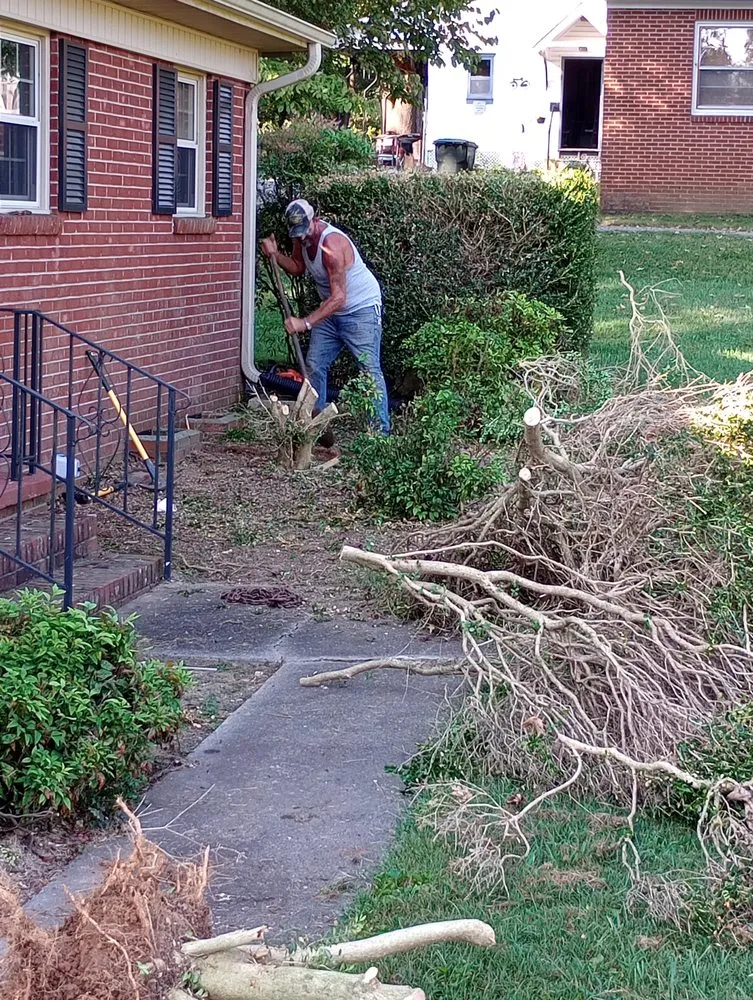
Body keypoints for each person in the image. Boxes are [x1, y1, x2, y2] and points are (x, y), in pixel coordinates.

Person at [261, 199, 390, 434]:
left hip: (359, 310)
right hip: (331, 311)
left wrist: (305, 322)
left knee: (369, 370)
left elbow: (340, 297)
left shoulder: (332, 245)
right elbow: (298, 267)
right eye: (297, 234)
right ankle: (315, 428)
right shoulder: (301, 235)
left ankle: (380, 436)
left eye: (306, 232)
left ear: (316, 221)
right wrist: (275, 255)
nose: (302, 238)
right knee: (314, 365)